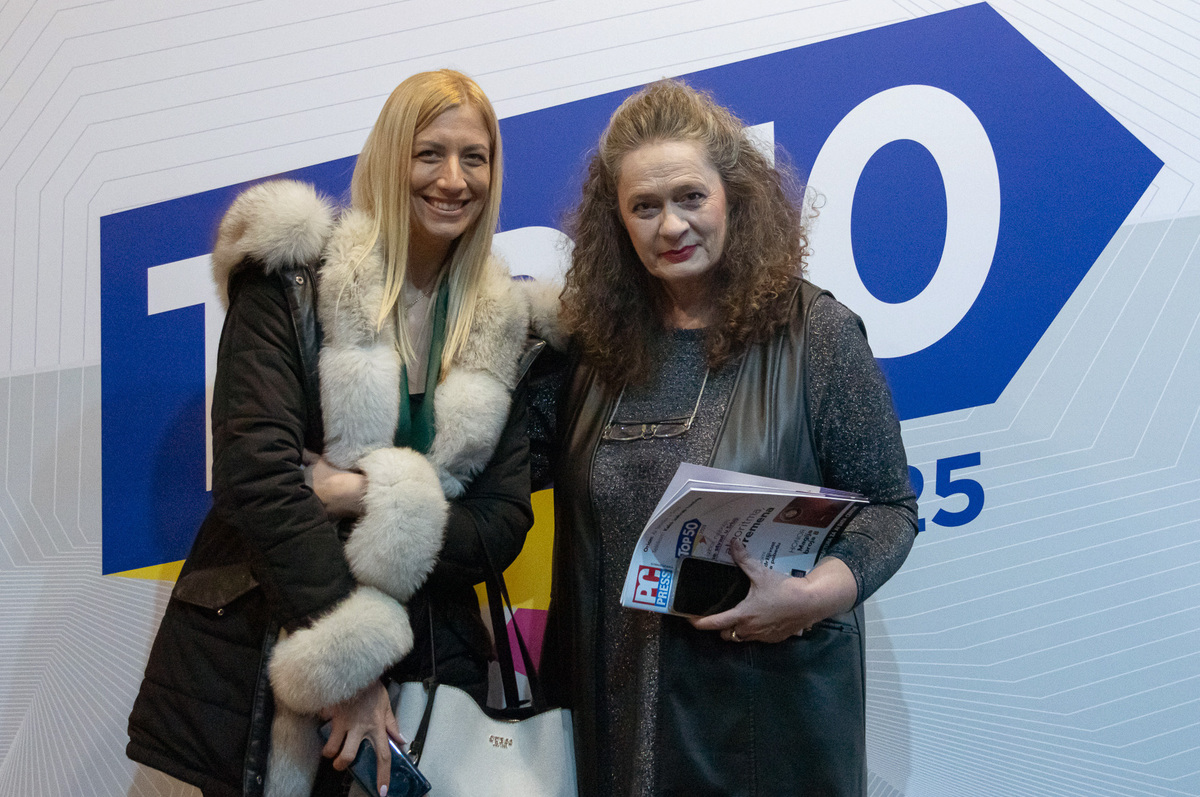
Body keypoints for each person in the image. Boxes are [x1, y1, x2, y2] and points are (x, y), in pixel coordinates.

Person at [127, 69, 539, 797]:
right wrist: (346, 667)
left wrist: (363, 492)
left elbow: (499, 525)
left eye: (474, 158)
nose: (453, 179)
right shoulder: (291, 283)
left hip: (428, 672)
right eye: (429, 153)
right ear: (388, 158)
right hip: (254, 663)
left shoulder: (500, 322)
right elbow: (258, 479)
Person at [535, 80, 919, 796]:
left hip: (763, 726)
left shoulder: (816, 335)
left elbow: (890, 509)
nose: (670, 226)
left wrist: (814, 595)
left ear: (733, 196)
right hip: (609, 728)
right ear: (616, 222)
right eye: (644, 207)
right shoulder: (589, 352)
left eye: (690, 197)